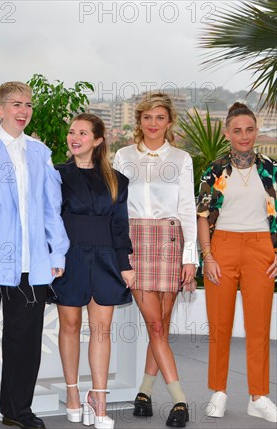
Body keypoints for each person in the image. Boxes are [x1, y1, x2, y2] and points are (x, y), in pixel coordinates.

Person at [0, 81, 70, 429]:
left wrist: (57, 254)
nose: (23, 111)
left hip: (31, 267)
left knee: (25, 344)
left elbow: (52, 208)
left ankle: (17, 411)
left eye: (28, 105)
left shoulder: (41, 153)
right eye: (16, 104)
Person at [113, 92, 197, 428]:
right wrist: (119, 253)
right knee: (157, 326)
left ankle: (144, 393)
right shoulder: (123, 156)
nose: (153, 123)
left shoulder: (181, 158)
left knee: (160, 323)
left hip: (170, 240)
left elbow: (188, 208)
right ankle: (180, 401)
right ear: (139, 121)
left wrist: (190, 258)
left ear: (169, 122)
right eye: (147, 117)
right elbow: (116, 207)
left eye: (159, 118)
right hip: (136, 241)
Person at [50, 114, 134, 429]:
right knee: (69, 326)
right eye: (72, 131)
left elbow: (119, 225)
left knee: (101, 330)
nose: (75, 137)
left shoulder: (117, 180)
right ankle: (72, 394)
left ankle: (99, 400)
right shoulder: (55, 174)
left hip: (106, 261)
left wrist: (125, 265)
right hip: (68, 259)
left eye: (83, 133)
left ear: (97, 140)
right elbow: (49, 219)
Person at [197, 102, 277, 423]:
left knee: (259, 328)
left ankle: (258, 396)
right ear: (228, 133)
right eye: (237, 130)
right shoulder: (214, 170)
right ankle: (218, 392)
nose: (243, 136)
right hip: (223, 247)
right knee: (220, 326)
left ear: (256, 132)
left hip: (262, 249)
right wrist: (208, 256)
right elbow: (203, 216)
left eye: (249, 129)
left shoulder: (271, 169)